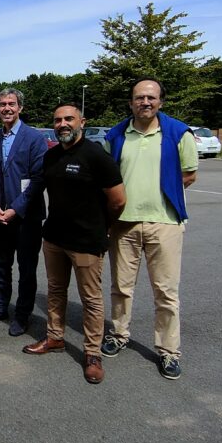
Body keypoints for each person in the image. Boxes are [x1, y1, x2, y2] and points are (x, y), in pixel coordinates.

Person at [101, 78, 198, 380]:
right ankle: (119, 334)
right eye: (139, 97)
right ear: (131, 102)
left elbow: (189, 175)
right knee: (121, 287)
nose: (145, 102)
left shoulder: (179, 133)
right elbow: (106, 177)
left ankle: (169, 351)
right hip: (123, 223)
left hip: (165, 223)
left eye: (151, 98)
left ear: (160, 102)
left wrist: (160, 194)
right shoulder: (116, 135)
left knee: (166, 292)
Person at [23, 103, 126, 385]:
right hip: (55, 237)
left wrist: (102, 227)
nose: (63, 124)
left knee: (90, 299)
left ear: (82, 122)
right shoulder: (51, 155)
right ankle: (55, 337)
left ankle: (92, 354)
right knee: (56, 291)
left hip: (86, 241)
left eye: (69, 119)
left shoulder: (96, 156)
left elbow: (118, 200)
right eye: (58, 120)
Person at [0, 88, 49, 336]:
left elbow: (38, 179)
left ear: (20, 107)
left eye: (11, 104)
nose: (6, 108)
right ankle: (0, 307)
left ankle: (22, 315)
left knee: (26, 270)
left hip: (26, 217)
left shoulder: (34, 138)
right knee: (0, 265)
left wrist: (15, 209)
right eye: (2, 104)